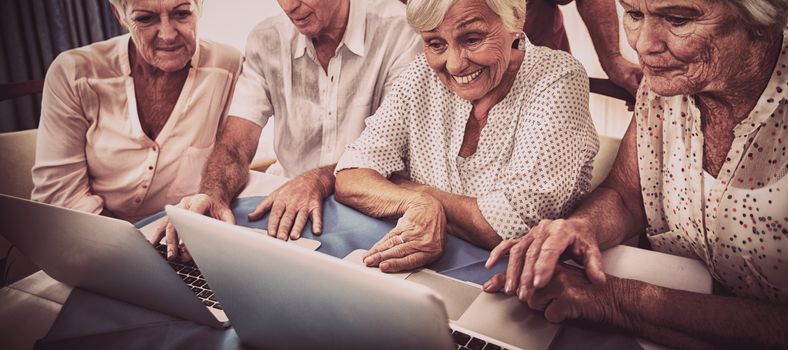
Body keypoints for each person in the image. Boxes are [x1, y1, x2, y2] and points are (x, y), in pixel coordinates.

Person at [483, 0, 788, 348]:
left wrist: (617, 300)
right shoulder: (667, 82)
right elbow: (626, 197)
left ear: (763, 19)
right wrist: (581, 227)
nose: (643, 44)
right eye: (633, 14)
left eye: (677, 19)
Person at [334, 0, 599, 273]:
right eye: (436, 44)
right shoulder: (420, 74)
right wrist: (415, 202)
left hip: (520, 277)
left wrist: (413, 191)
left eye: (472, 39)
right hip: (419, 271)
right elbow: (351, 174)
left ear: (516, 19)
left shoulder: (558, 77)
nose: (455, 64)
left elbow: (514, 222)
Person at [155, 0, 421, 261]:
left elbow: (394, 148)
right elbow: (235, 144)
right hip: (287, 203)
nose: (289, 6)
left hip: (370, 207)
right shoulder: (266, 39)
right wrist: (213, 195)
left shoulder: (400, 31)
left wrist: (317, 179)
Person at [31, 0, 242, 224]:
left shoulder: (228, 66)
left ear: (199, 7)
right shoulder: (74, 73)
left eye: (181, 14)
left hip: (186, 236)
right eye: (145, 18)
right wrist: (130, 245)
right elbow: (59, 198)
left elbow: (233, 157)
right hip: (88, 234)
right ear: (119, 14)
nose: (168, 35)